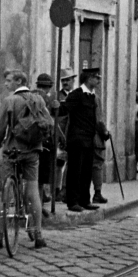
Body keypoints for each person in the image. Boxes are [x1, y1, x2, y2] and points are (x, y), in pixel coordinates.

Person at [0, 69, 52, 249]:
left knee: (6, 193)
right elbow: (47, 122)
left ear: (18, 81)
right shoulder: (38, 99)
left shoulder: (9, 101)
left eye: (9, 81)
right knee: (33, 191)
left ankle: (0, 236)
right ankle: (39, 235)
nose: (6, 84)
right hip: (32, 152)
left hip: (13, 152)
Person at [61, 67, 110, 212]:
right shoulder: (77, 95)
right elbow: (65, 111)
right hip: (77, 139)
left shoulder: (92, 96)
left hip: (89, 139)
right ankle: (72, 201)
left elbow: (95, 119)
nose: (99, 80)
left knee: (86, 171)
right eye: (96, 77)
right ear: (89, 79)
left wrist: (102, 131)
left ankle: (84, 200)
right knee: (75, 171)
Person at [33, 73, 59, 215]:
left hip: (32, 139)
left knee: (35, 175)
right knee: (41, 176)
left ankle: (38, 201)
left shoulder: (30, 96)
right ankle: (38, 203)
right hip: (44, 139)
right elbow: (50, 120)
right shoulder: (45, 99)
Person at [53, 68, 76, 202]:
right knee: (59, 162)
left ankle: (66, 190)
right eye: (63, 80)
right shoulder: (58, 95)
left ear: (73, 80)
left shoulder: (76, 95)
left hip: (72, 133)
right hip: (60, 133)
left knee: (71, 164)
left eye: (68, 80)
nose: (65, 82)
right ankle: (56, 189)